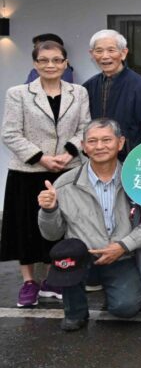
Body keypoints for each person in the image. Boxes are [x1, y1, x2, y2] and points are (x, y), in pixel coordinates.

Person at [36, 119, 141, 331]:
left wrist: (123, 245)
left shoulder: (138, 179)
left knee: (126, 308)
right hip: (81, 258)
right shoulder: (65, 184)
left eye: (106, 140)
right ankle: (75, 312)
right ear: (84, 146)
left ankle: (114, 289)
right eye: (92, 141)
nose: (99, 146)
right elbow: (51, 234)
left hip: (122, 255)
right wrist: (48, 210)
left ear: (120, 143)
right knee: (68, 252)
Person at [2, 38, 91, 308]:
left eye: (56, 60)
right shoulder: (18, 93)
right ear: (34, 63)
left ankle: (56, 279)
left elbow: (84, 128)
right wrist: (42, 158)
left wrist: (66, 154)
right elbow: (10, 133)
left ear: (65, 63)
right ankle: (29, 283)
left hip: (67, 169)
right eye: (44, 60)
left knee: (64, 226)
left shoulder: (79, 92)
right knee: (25, 227)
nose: (50, 65)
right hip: (28, 171)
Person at [81, 29, 141, 158]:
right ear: (92, 54)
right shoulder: (88, 87)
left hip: (130, 159)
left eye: (111, 50)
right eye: (99, 51)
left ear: (123, 53)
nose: (105, 56)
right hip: (97, 158)